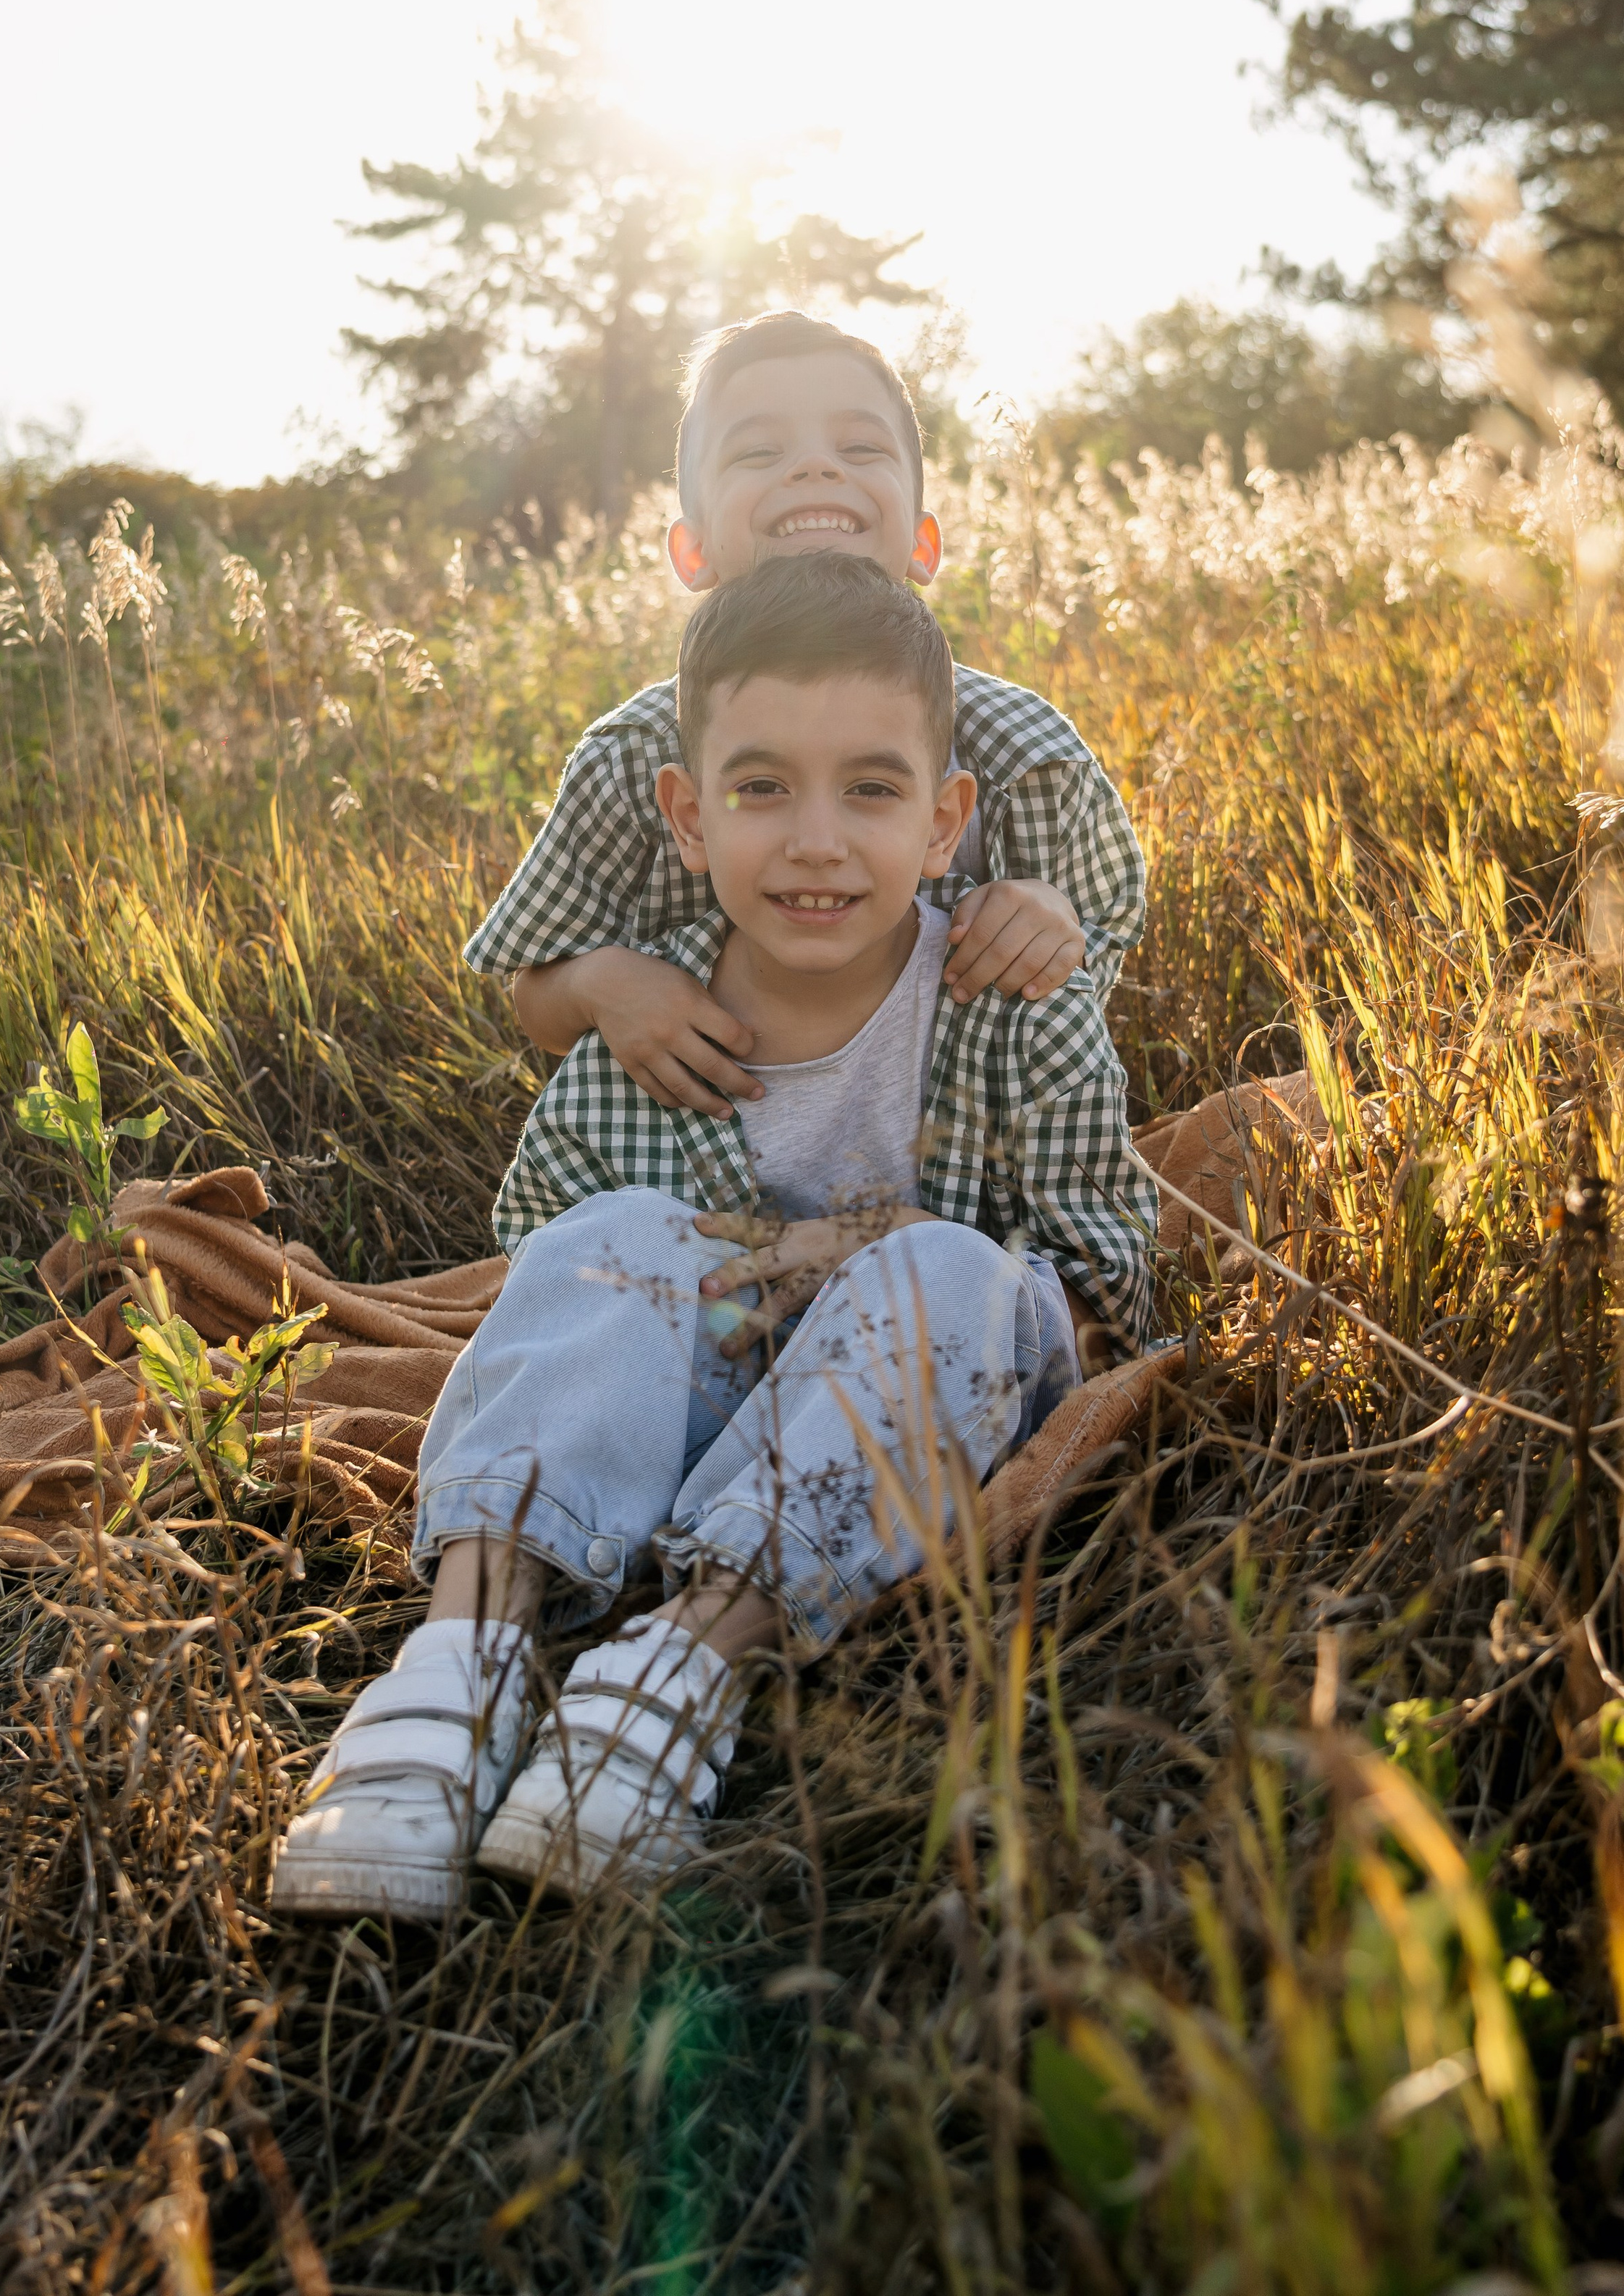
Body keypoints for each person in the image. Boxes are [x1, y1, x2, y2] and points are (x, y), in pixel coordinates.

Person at [271, 555, 1156, 1926]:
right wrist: (694, 1282)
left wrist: (869, 1245)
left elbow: (1102, 1279)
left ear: (946, 822)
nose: (817, 840)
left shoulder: (1017, 1009)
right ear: (688, 818)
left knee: (954, 1270)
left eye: (872, 790)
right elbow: (556, 1293)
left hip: (901, 1394)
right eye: (762, 789)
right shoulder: (648, 1031)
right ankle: (466, 1658)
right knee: (611, 1231)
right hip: (699, 1399)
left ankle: (684, 1664)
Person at [465, 308, 1147, 1122]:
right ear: (693, 552)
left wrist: (1054, 921)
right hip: (701, 1160)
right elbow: (536, 995)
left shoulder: (1028, 756)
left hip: (961, 1164)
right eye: (760, 452)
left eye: (859, 449)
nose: (816, 467)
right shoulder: (630, 758)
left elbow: (1095, 960)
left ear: (924, 544)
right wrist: (598, 985)